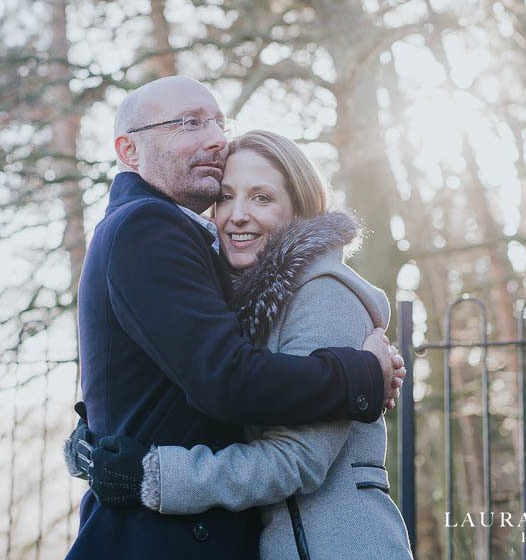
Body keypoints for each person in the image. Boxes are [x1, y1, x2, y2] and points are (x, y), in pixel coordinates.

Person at [63, 77, 405, 560]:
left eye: (262, 198)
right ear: (128, 150)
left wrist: (150, 474)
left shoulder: (322, 293)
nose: (214, 137)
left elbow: (295, 456)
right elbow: (224, 379)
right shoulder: (151, 228)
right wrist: (361, 373)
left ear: (298, 209)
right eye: (189, 123)